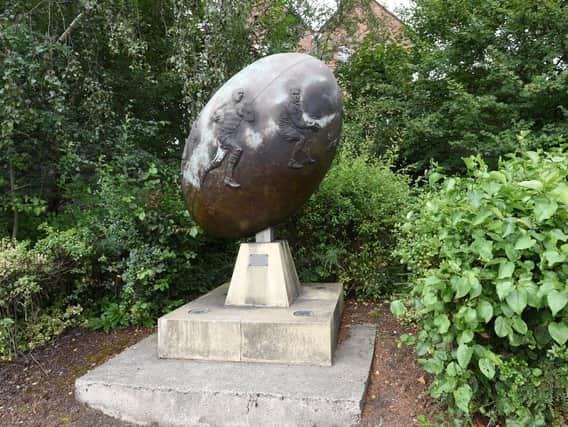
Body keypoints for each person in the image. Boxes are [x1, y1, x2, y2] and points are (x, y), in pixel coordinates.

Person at [201, 89, 254, 188]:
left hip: (230, 136)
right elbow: (213, 117)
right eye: (239, 93)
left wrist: (249, 110)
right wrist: (214, 117)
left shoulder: (241, 108)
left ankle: (204, 171)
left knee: (217, 162)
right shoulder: (225, 106)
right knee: (237, 149)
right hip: (223, 135)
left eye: (242, 94)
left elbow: (251, 119)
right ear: (233, 94)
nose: (241, 95)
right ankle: (228, 178)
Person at [277, 87, 320, 169]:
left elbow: (300, 120)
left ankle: (307, 157)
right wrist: (310, 126)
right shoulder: (291, 107)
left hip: (292, 125)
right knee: (302, 138)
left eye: (298, 94)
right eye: (294, 94)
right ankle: (292, 161)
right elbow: (298, 124)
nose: (296, 96)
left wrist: (310, 124)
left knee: (308, 135)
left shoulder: (297, 105)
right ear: (290, 95)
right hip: (285, 127)